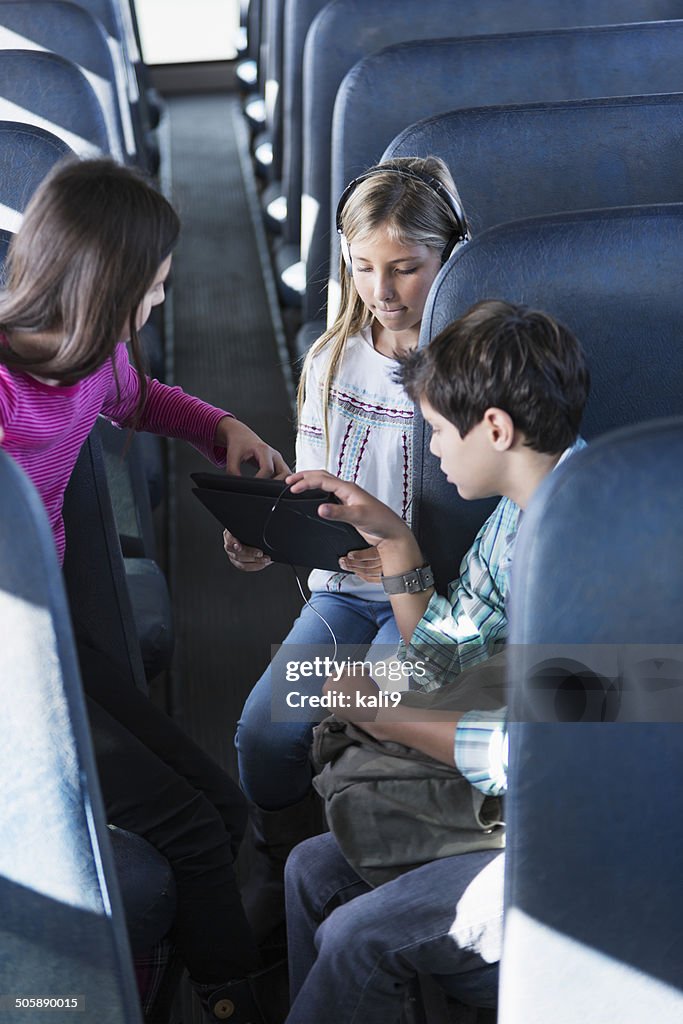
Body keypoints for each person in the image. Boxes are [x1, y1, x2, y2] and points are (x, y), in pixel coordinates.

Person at [0, 156, 288, 1023]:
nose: (160, 304)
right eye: (154, 289)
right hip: (14, 680)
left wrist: (220, 428)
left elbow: (142, 399)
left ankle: (202, 962)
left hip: (53, 643)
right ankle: (231, 994)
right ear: (107, 288)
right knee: (194, 832)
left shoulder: (90, 362)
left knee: (222, 807)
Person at [283, 298, 590, 1022]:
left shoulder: (591, 549)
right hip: (508, 807)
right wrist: (393, 541)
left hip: (568, 832)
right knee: (309, 869)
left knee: (358, 939)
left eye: (437, 432)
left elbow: (533, 755)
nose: (433, 451)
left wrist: (383, 718)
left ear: (494, 428)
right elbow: (440, 662)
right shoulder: (516, 516)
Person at [224, 156, 470, 945]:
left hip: (430, 599)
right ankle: (280, 855)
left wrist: (397, 552)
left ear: (449, 259)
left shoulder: (470, 370)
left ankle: (356, 872)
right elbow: (313, 480)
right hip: (341, 588)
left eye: (406, 269)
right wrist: (271, 533)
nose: (383, 292)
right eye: (363, 268)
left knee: (377, 733)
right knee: (264, 732)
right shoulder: (330, 359)